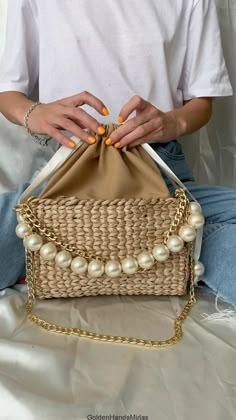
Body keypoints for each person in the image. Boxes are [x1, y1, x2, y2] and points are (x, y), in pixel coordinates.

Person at [0, 0, 235, 308]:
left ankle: (61, 250)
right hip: (69, 169)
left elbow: (201, 103)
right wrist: (34, 113)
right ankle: (175, 244)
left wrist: (172, 120)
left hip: (157, 165)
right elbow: (8, 92)